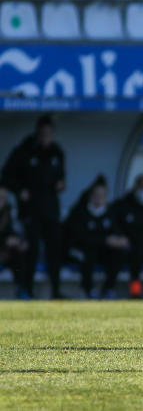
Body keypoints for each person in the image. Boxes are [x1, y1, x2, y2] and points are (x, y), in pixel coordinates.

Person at [1, 115, 65, 299]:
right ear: (37, 132)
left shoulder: (57, 152)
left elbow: (61, 177)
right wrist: (19, 190)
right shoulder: (23, 151)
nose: (46, 136)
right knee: (31, 249)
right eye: (43, 133)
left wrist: (61, 183)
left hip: (51, 210)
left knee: (55, 250)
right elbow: (6, 176)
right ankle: (26, 290)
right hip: (30, 211)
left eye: (49, 133)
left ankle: (56, 291)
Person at [63, 176, 128, 299]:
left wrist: (121, 239)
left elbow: (117, 232)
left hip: (102, 252)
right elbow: (79, 237)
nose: (99, 198)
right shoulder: (80, 212)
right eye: (97, 194)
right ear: (91, 196)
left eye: (103, 195)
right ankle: (88, 289)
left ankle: (108, 289)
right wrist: (105, 240)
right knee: (88, 253)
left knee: (118, 253)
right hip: (80, 250)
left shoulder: (110, 213)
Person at [0, 185, 30, 299]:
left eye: (4, 198)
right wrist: (4, 242)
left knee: (20, 253)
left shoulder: (8, 213)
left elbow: (12, 231)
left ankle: (21, 289)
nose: (2, 201)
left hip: (5, 254)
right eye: (0, 198)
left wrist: (18, 241)